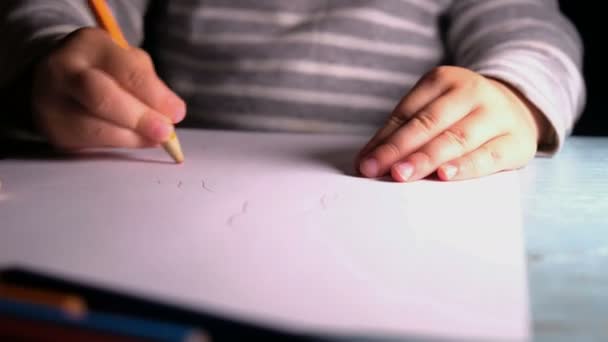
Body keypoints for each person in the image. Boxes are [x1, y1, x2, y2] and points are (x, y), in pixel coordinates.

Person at [0, 1, 585, 182]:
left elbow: (532, 30)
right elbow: (67, 10)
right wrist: (52, 53)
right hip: (163, 174)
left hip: (400, 194)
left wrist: (514, 96)